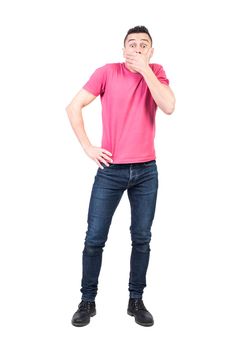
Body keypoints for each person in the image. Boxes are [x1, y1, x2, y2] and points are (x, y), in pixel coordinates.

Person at [65, 25, 175, 327]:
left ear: (151, 51)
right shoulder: (107, 72)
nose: (137, 49)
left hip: (146, 172)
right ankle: (87, 301)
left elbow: (168, 106)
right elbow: (73, 107)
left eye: (144, 45)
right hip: (110, 171)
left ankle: (135, 300)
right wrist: (88, 146)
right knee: (94, 239)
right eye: (132, 44)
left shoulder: (157, 72)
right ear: (123, 49)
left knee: (142, 239)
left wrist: (146, 71)